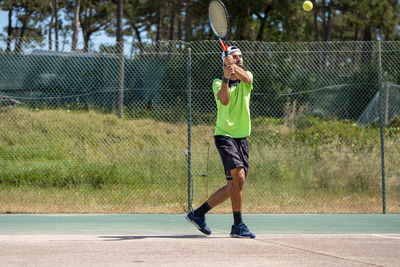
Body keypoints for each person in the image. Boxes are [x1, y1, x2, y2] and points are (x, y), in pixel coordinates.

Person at [185, 46, 255, 238]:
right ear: (225, 60)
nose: (239, 59)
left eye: (241, 56)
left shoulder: (246, 77)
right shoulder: (217, 82)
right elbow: (224, 101)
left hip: (242, 137)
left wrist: (234, 67)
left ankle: (198, 214)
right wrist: (225, 77)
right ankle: (238, 226)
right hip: (224, 135)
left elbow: (246, 78)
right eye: (235, 57)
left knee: (234, 186)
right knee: (239, 177)